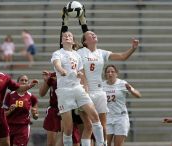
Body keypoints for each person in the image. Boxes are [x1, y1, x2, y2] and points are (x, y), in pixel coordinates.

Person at [64, 6, 139, 146]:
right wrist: (83, 85)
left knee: (103, 125)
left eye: (94, 34)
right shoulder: (80, 53)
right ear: (85, 41)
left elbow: (122, 57)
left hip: (99, 92)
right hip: (85, 92)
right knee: (88, 125)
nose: (94, 35)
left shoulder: (102, 53)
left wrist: (133, 48)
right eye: (90, 35)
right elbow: (78, 71)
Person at [51, 30, 104, 146]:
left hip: (78, 88)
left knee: (95, 116)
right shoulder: (58, 53)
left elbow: (80, 71)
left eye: (69, 35)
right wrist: (62, 70)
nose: (66, 37)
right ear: (62, 40)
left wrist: (83, 82)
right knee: (68, 129)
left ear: (73, 41)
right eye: (64, 36)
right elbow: (57, 64)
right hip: (64, 91)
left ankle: (101, 144)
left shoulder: (77, 55)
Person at [102, 64, 142, 146]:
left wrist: (131, 90)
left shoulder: (122, 83)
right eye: (108, 72)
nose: (110, 73)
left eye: (112, 72)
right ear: (105, 74)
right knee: (105, 144)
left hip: (120, 117)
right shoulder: (102, 85)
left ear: (116, 73)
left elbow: (138, 95)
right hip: (108, 117)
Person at [39, 70, 81, 146]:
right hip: (54, 109)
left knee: (75, 142)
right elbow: (41, 93)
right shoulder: (52, 76)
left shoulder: (73, 74)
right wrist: (46, 81)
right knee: (51, 143)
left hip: (69, 109)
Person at [3, 74, 39, 146]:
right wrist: (10, 110)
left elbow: (36, 117)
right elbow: (3, 114)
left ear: (28, 83)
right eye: (22, 80)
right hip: (9, 126)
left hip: (23, 127)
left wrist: (34, 114)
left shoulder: (32, 97)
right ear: (17, 82)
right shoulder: (9, 95)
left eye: (26, 80)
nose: (24, 82)